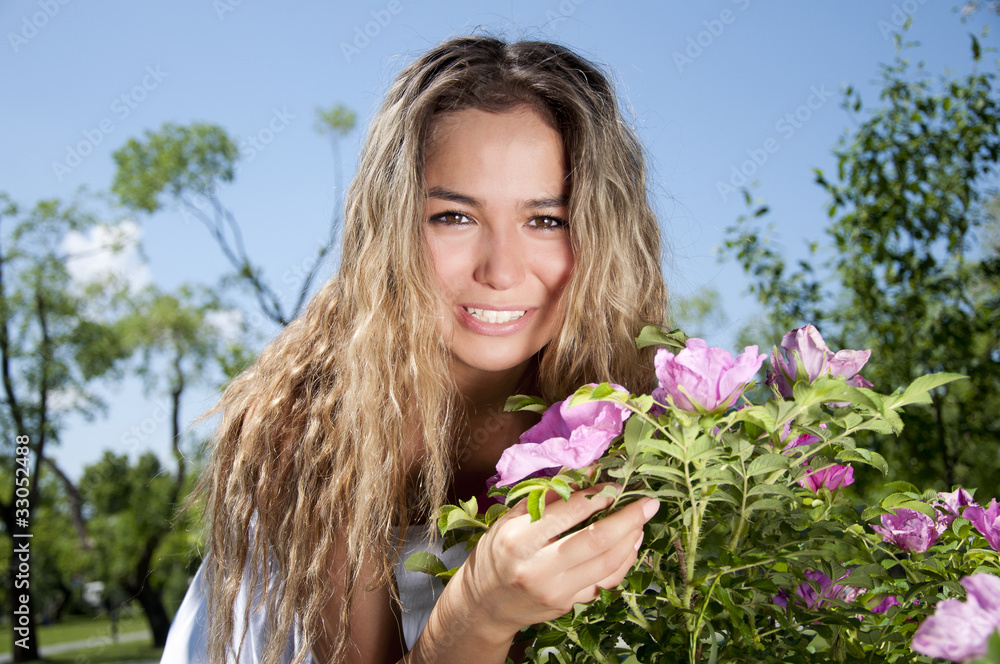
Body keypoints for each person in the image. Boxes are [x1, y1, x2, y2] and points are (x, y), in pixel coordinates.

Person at [161, 34, 668, 664]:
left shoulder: (635, 413)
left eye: (547, 219)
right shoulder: (317, 422)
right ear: (393, 222)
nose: (501, 271)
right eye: (454, 216)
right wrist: (476, 616)